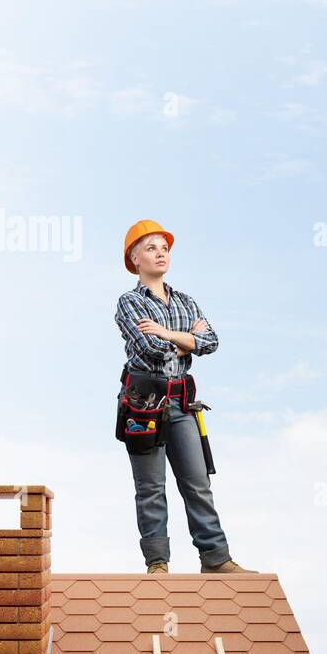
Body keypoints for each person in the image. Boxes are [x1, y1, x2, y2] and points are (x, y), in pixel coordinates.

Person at [114, 219, 253, 574]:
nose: (160, 254)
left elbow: (212, 342)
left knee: (197, 482)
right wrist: (184, 338)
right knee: (150, 487)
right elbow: (151, 348)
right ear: (135, 259)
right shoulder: (129, 303)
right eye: (150, 249)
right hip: (143, 404)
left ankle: (215, 558)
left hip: (182, 402)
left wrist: (166, 333)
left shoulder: (186, 301)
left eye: (164, 248)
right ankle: (157, 563)